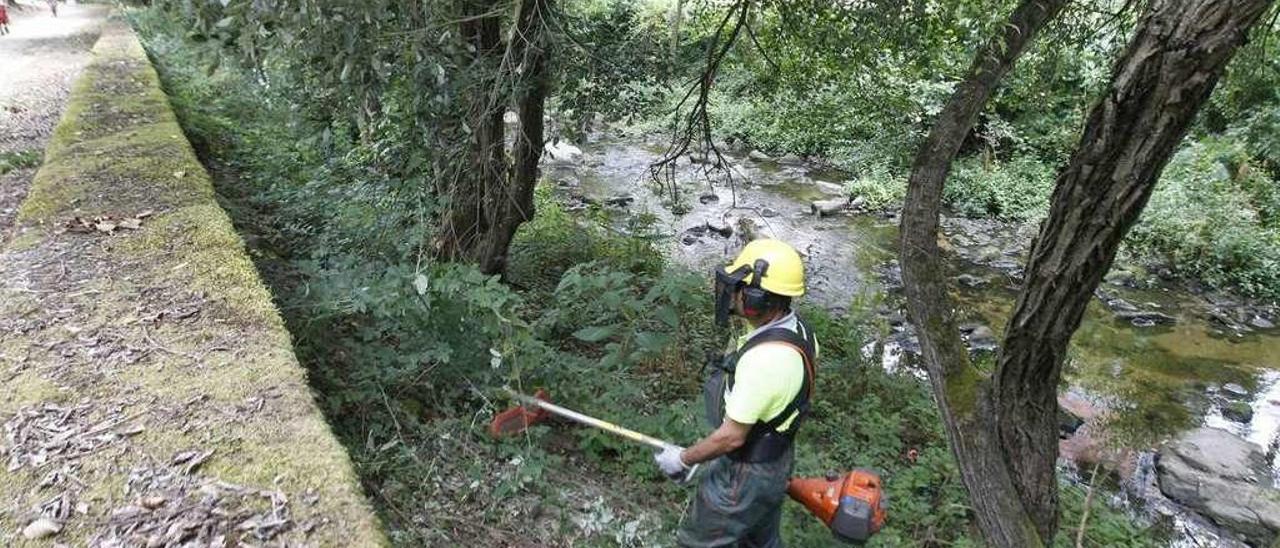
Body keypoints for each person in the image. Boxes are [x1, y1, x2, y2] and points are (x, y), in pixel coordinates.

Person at [654, 238, 818, 547]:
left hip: (744, 473)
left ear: (757, 298)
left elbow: (731, 436)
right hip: (776, 459)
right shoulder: (796, 330)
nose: (732, 293)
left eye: (740, 287)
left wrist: (684, 460)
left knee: (700, 542)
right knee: (759, 541)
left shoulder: (766, 359)